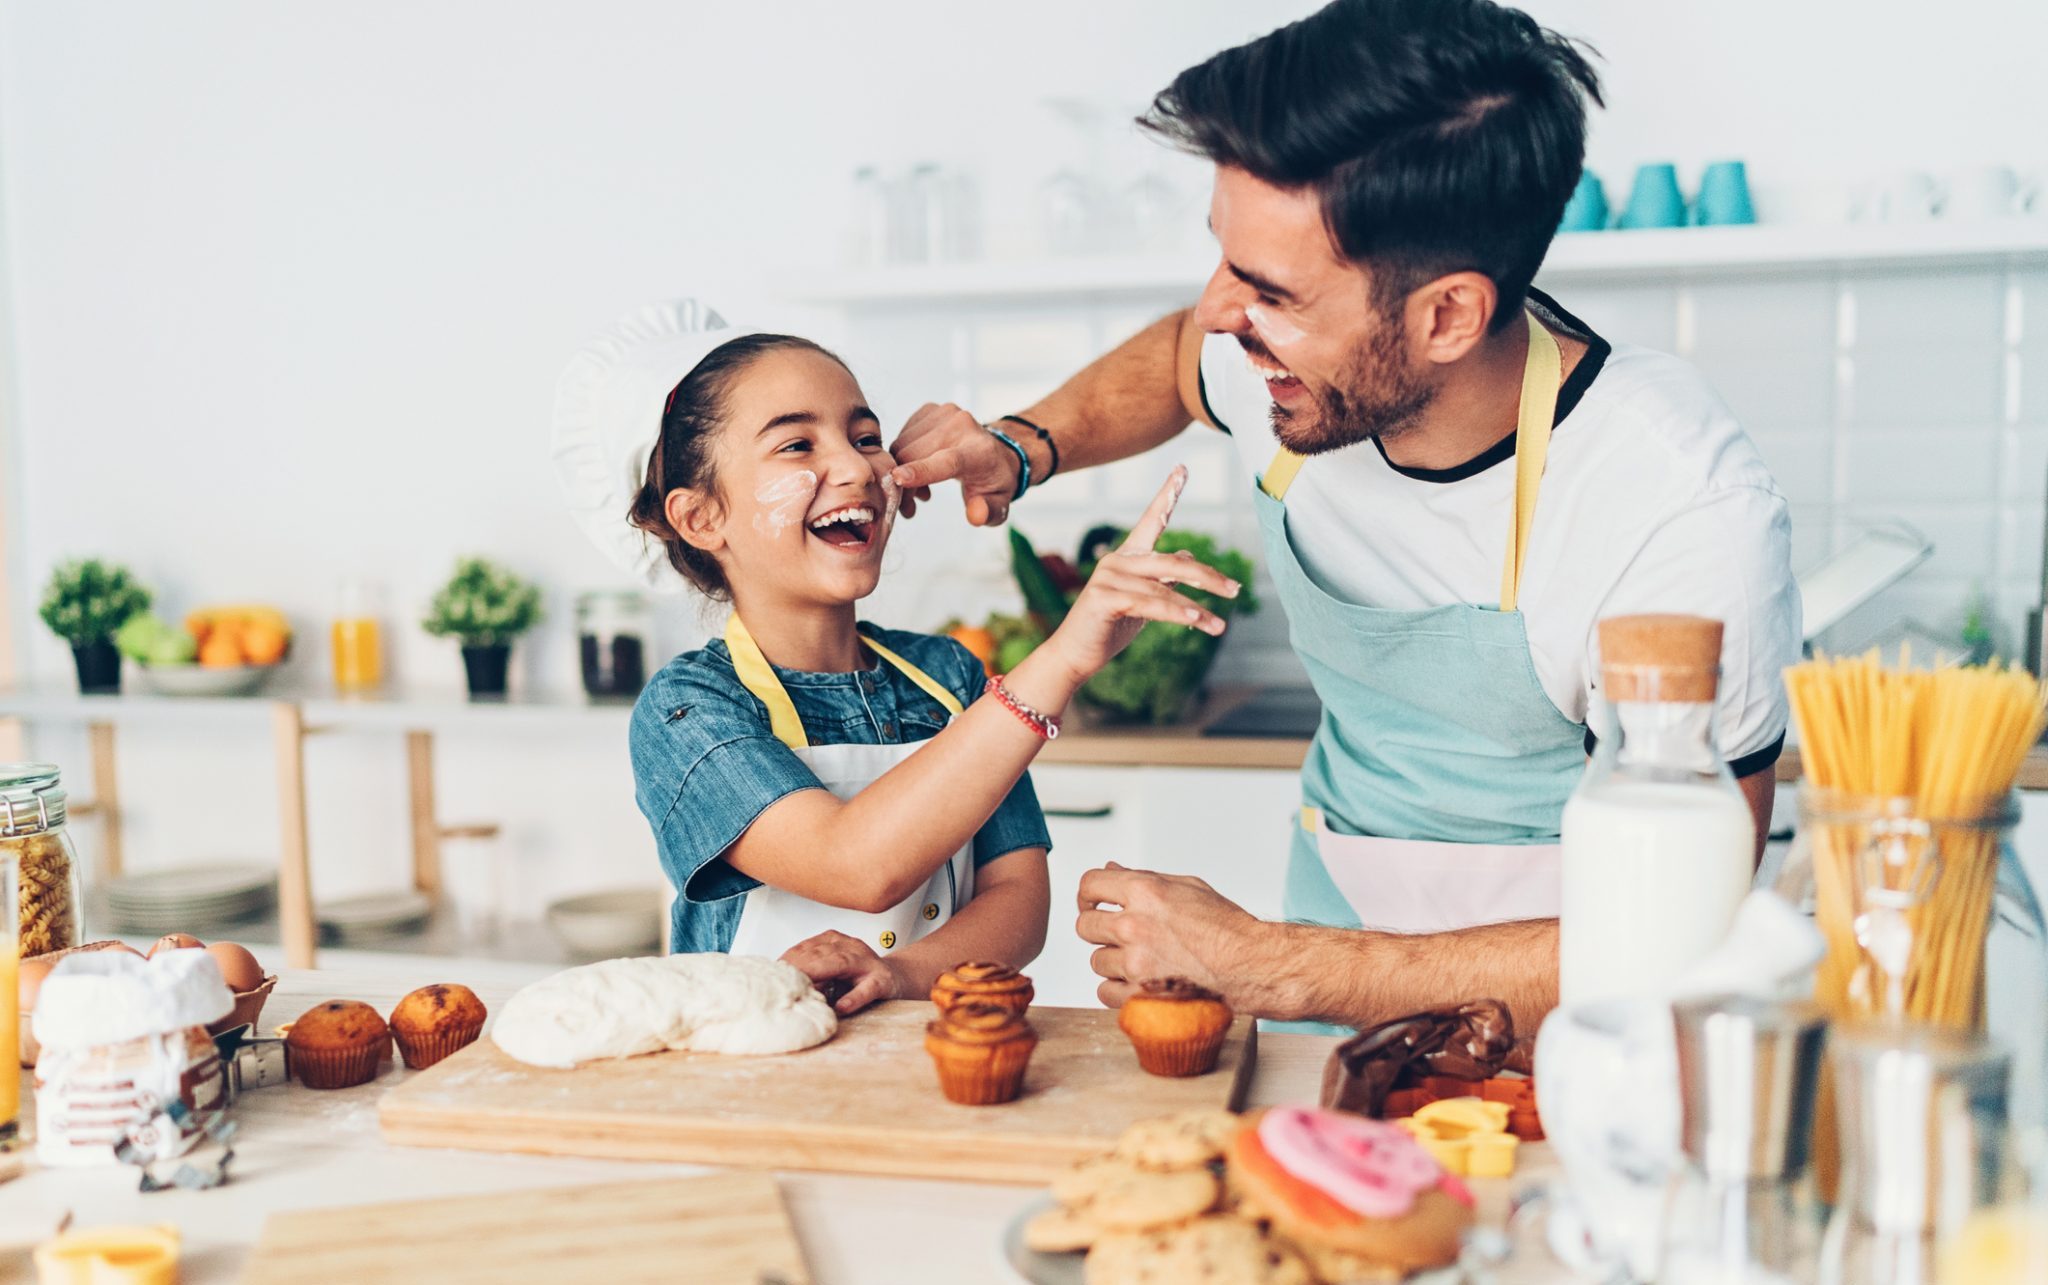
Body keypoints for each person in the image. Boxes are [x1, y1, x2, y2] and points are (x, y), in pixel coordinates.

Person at [888, 0, 1800, 1037]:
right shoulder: (1286, 367)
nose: (1221, 311)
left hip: (1579, 1029)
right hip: (1330, 945)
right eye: (1223, 260)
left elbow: (1673, 930)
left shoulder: (1671, 505)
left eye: (1269, 290)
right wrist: (1023, 444)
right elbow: (1176, 364)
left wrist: (1275, 965)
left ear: (1444, 315)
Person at [550, 302, 1237, 1014]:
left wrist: (902, 976)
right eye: (796, 446)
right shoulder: (687, 707)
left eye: (866, 436)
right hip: (754, 1083)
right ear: (702, 517)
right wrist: (1061, 658)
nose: (854, 465)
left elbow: (1019, 898)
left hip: (936, 1054)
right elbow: (854, 862)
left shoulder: (950, 675)